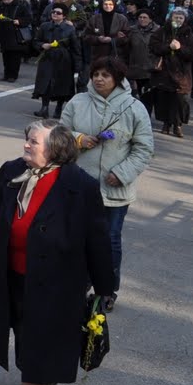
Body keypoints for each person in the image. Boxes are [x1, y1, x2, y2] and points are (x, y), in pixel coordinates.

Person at [0, 119, 116, 385]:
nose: (25, 145)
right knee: (23, 331)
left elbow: (98, 239)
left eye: (33, 142)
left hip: (58, 280)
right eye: (27, 139)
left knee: (37, 336)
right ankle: (42, 375)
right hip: (13, 272)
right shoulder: (11, 171)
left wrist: (106, 286)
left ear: (55, 149)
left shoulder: (81, 187)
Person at [60, 58, 153, 312]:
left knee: (109, 240)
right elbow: (59, 135)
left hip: (114, 190)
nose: (99, 79)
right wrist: (79, 139)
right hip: (79, 186)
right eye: (95, 74)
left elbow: (144, 149)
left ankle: (107, 290)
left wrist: (122, 174)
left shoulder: (134, 108)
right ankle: (77, 283)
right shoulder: (77, 102)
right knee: (75, 237)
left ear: (117, 79)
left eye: (105, 75)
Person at [150, 7, 193, 139]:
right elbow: (153, 46)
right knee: (165, 98)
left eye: (181, 18)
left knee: (180, 100)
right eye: (176, 17)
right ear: (171, 18)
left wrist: (180, 48)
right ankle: (166, 123)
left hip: (181, 73)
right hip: (164, 71)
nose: (178, 20)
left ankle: (177, 124)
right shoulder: (162, 31)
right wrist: (168, 47)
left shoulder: (188, 34)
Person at [32, 5, 84, 119]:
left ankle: (59, 108)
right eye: (53, 12)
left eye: (58, 13)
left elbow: (76, 47)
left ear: (64, 16)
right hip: (47, 57)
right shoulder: (44, 26)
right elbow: (36, 41)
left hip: (63, 59)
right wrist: (42, 45)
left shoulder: (69, 29)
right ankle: (44, 108)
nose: (55, 14)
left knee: (62, 84)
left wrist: (78, 65)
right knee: (45, 82)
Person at [0, 0, 32, 83]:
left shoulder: (20, 6)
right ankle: (6, 74)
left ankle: (13, 75)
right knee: (6, 56)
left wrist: (20, 21)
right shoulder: (1, 6)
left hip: (16, 35)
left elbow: (28, 18)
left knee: (14, 57)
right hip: (4, 35)